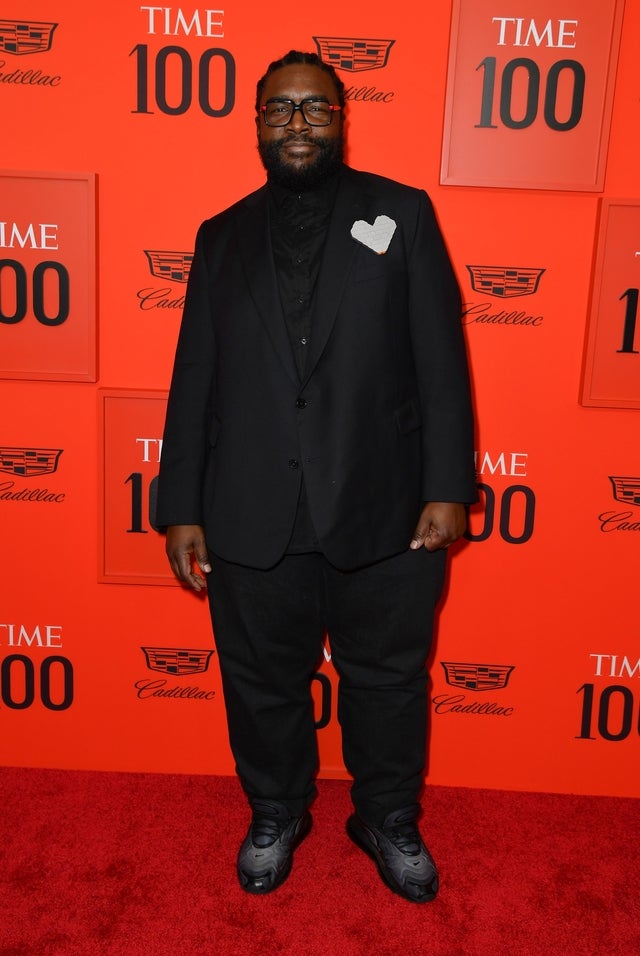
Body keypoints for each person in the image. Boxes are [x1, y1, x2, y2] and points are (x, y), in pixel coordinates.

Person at [156, 49, 477, 904]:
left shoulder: (401, 215)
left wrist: (448, 486)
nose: (297, 123)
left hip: (388, 508)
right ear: (257, 122)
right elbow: (196, 377)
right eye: (280, 110)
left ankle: (387, 818)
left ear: (342, 119)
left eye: (315, 109)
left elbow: (442, 362)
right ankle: (275, 810)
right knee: (261, 683)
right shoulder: (220, 235)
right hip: (252, 507)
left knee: (388, 681)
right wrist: (179, 504)